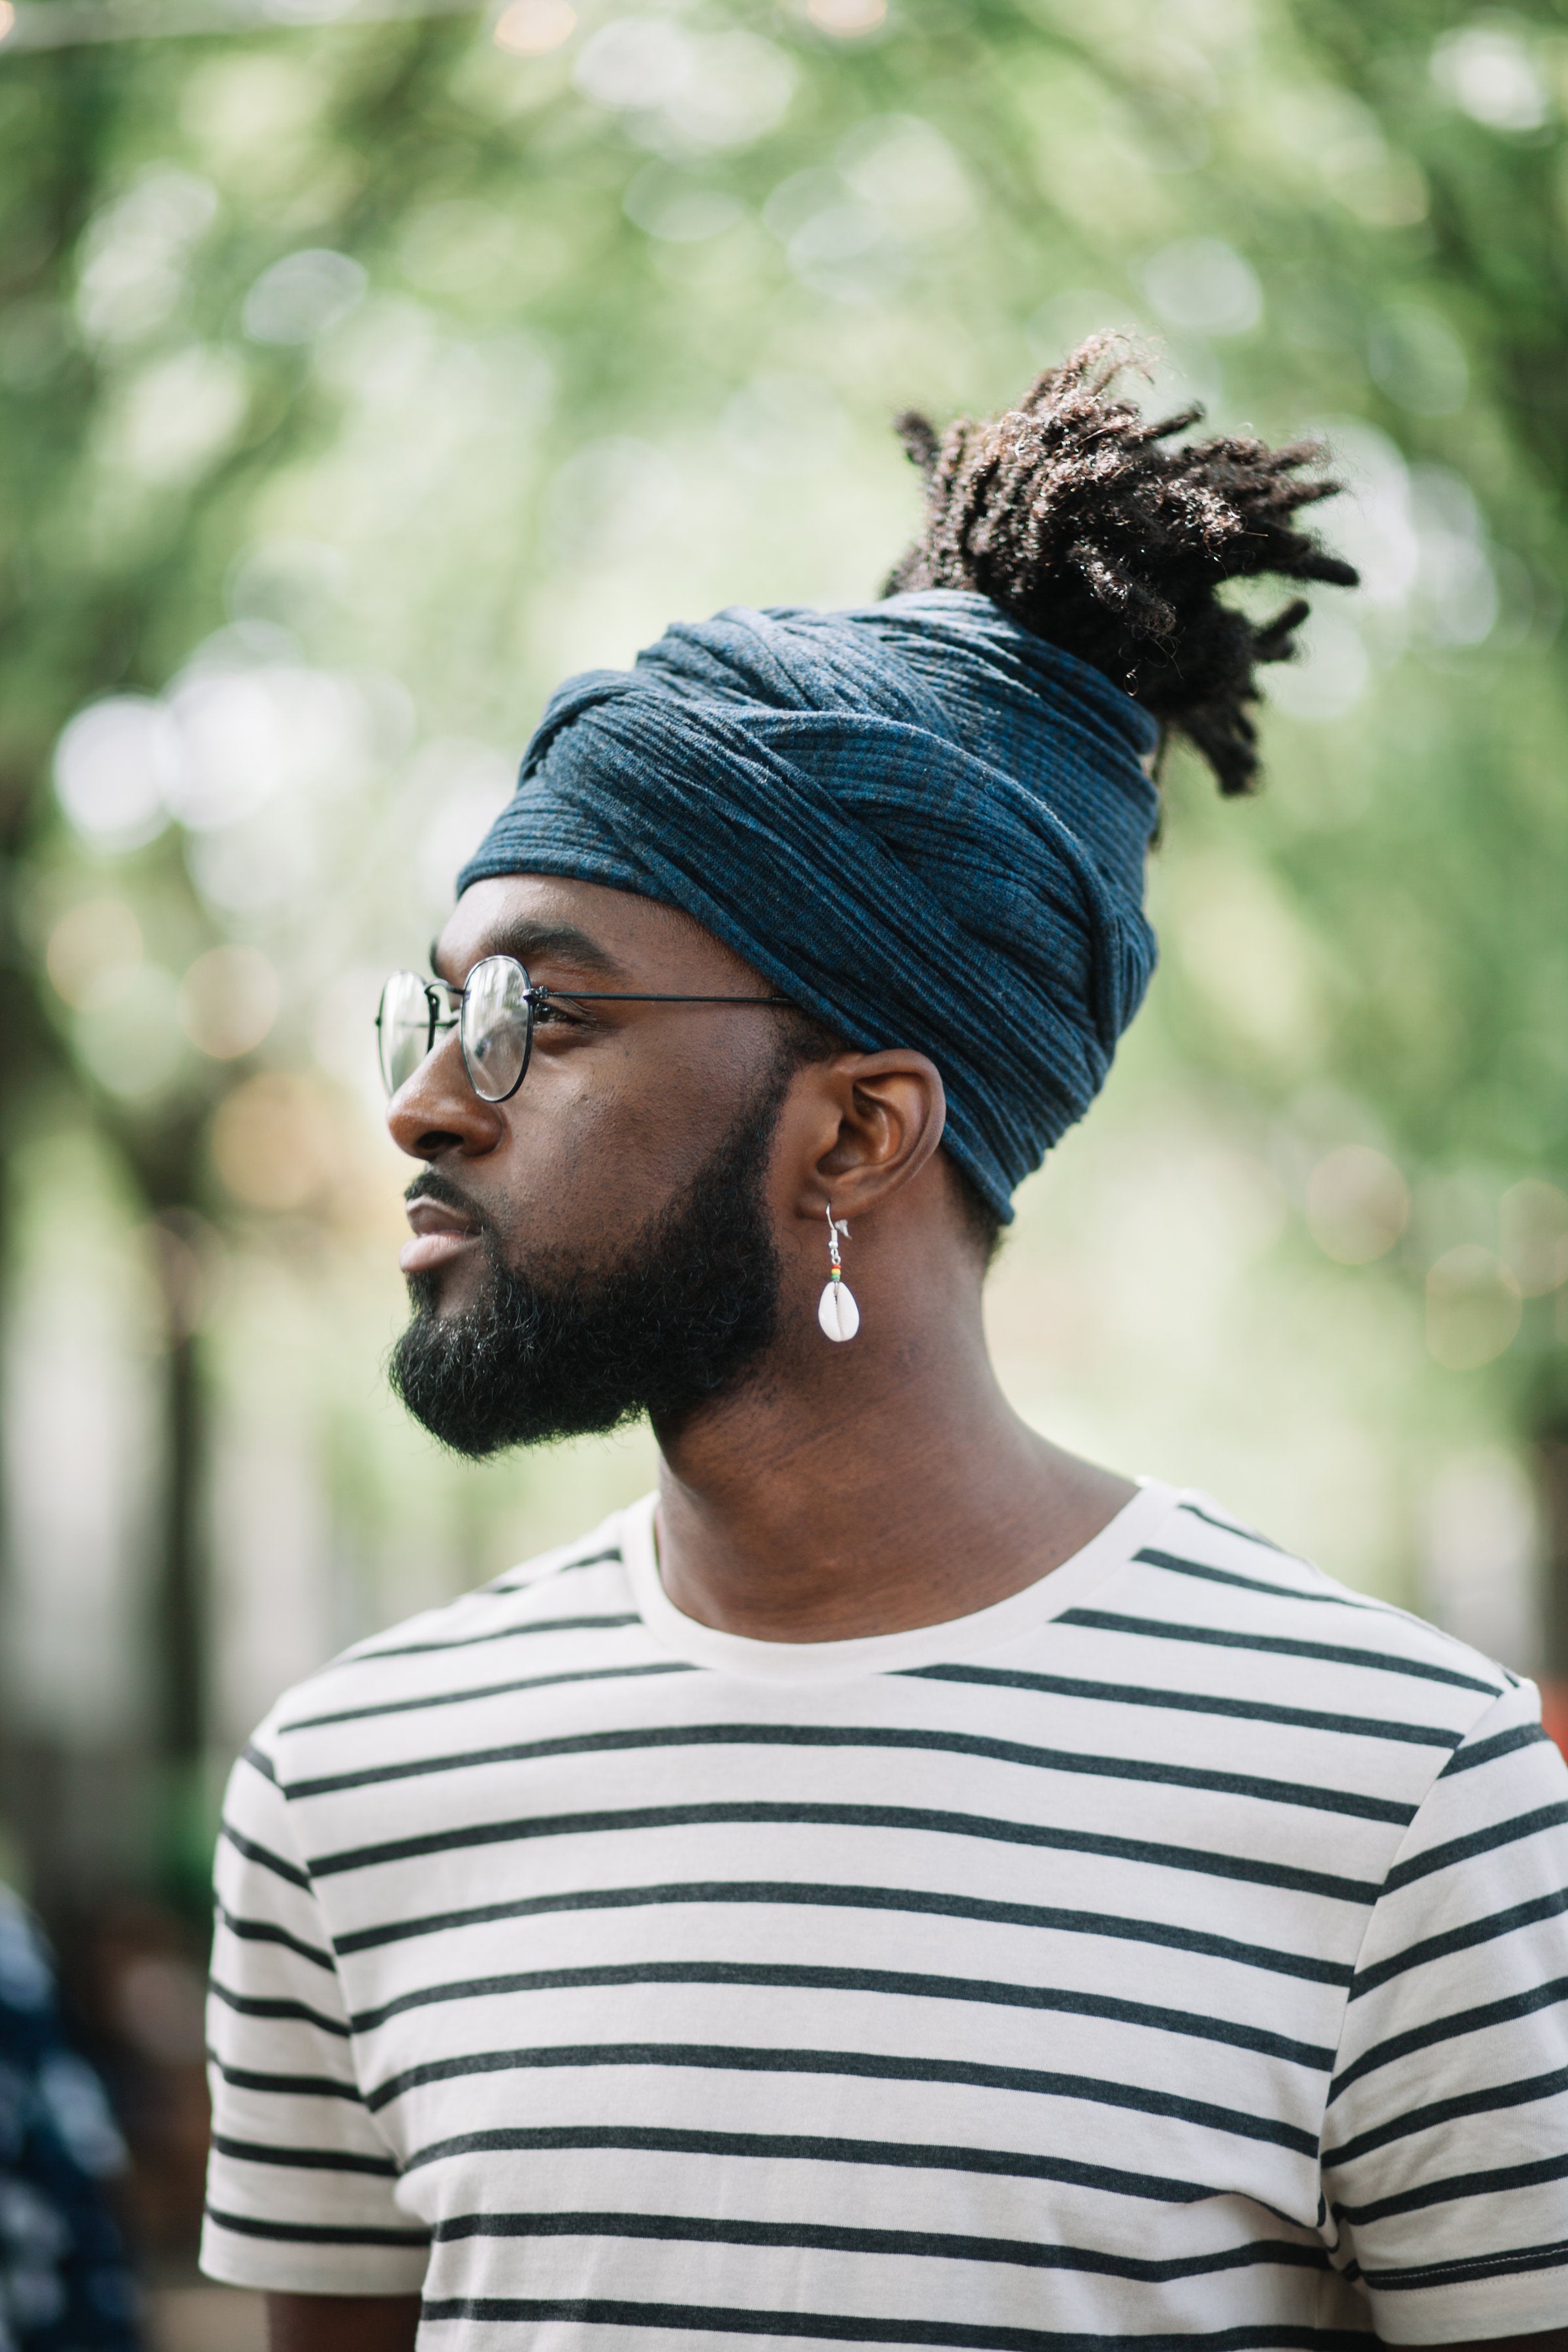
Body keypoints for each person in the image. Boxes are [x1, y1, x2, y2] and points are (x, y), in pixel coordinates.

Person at [199, 341, 1568, 2351]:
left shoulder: (1396, 1792)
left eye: (542, 1021)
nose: (423, 1105)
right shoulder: (350, 1790)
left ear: (859, 1129)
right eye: (436, 1017)